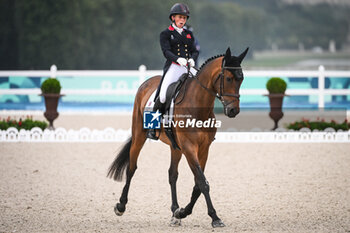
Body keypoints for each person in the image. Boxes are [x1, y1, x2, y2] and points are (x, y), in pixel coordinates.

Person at [147, 3, 199, 140]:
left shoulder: (189, 34)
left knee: (203, 87)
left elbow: (194, 50)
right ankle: (152, 127)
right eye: (180, 17)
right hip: (173, 67)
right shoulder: (166, 34)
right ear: (173, 18)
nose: (182, 20)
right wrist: (178, 59)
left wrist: (192, 60)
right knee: (163, 95)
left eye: (184, 17)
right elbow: (166, 52)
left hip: (188, 66)